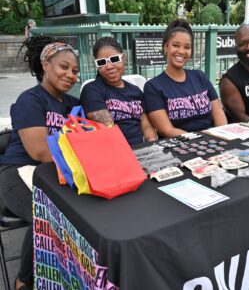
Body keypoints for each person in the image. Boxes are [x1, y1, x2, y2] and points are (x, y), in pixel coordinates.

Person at [0, 36, 80, 290]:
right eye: (63, 67)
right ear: (46, 64)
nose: (70, 75)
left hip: (56, 171)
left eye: (75, 71)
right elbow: (39, 151)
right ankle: (24, 280)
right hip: (17, 172)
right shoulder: (30, 100)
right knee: (45, 215)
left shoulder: (74, 105)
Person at [143, 19, 227, 138]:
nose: (181, 51)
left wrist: (223, 136)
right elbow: (167, 130)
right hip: (181, 145)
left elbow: (218, 113)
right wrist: (199, 141)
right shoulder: (153, 87)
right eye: (176, 45)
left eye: (187, 47)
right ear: (166, 47)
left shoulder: (200, 76)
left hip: (213, 139)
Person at [80, 36, 157, 145]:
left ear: (123, 58)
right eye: (102, 62)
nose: (109, 66)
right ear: (97, 65)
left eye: (114, 59)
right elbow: (108, 129)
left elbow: (146, 126)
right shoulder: (92, 90)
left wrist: (151, 146)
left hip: (141, 150)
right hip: (113, 151)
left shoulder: (135, 90)